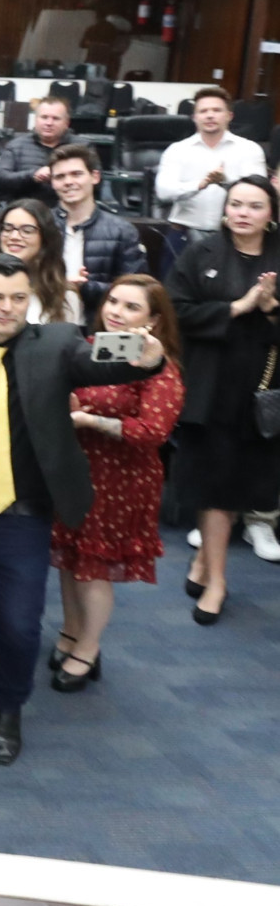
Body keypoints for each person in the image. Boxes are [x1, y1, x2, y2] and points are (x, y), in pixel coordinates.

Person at [0, 253, 164, 766]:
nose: (6, 308)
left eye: (18, 298)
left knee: (20, 625)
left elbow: (107, 359)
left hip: (24, 517)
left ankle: (9, 710)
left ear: (31, 299)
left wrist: (149, 356)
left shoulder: (57, 343)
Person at [49, 275, 185, 691]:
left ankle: (88, 649)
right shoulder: (92, 348)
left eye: (131, 308)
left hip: (121, 480)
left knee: (94, 570)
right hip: (76, 470)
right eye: (113, 302)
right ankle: (71, 632)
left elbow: (152, 432)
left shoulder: (157, 364)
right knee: (69, 560)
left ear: (154, 321)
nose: (116, 313)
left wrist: (91, 419)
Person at [167, 176, 280, 626]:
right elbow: (174, 309)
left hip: (263, 388)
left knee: (241, 481)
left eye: (254, 205)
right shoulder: (203, 251)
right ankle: (217, 581)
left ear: (270, 212)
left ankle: (203, 564)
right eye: (235, 204)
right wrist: (238, 307)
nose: (243, 213)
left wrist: (270, 309)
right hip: (212, 385)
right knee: (214, 483)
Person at [155, 87, 269, 235]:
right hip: (184, 232)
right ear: (194, 117)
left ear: (229, 115)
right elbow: (163, 192)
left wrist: (225, 182)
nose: (210, 115)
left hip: (233, 235)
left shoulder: (249, 149)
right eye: (203, 111)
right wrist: (200, 185)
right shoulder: (177, 150)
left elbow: (259, 193)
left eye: (216, 110)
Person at [47, 143, 144, 315]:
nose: (68, 182)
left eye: (76, 174)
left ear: (95, 177)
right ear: (52, 183)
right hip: (44, 322)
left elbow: (138, 290)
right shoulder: (40, 225)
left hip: (96, 326)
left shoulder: (122, 231)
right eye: (60, 177)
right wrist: (55, 283)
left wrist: (84, 288)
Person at [0, 96, 74, 205]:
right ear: (36, 119)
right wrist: (32, 176)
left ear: (66, 123)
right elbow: (0, 181)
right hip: (24, 211)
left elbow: (96, 184)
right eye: (44, 117)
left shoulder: (82, 146)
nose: (49, 123)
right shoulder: (16, 145)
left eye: (56, 118)